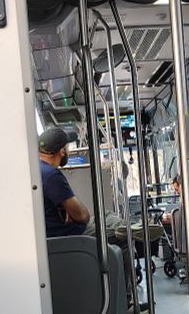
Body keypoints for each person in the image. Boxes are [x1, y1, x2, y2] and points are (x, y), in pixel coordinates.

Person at [38, 126, 135, 302]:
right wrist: (73, 210)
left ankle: (128, 226)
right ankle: (125, 300)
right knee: (125, 238)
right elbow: (83, 216)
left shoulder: (37, 170)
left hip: (58, 231)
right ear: (62, 151)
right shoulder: (51, 175)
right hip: (68, 236)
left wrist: (69, 210)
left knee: (106, 214)